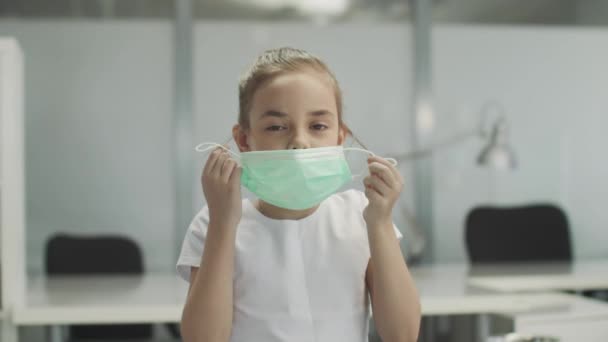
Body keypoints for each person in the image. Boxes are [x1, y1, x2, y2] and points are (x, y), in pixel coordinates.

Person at [177, 47, 420, 342]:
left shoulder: (360, 216)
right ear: (244, 139)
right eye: (277, 126)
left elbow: (403, 335)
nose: (299, 142)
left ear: (339, 138)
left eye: (318, 126)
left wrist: (380, 223)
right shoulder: (212, 223)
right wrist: (223, 223)